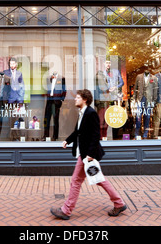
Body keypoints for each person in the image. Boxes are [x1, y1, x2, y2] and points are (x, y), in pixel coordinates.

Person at [50, 89, 127, 220]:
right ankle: (119, 203)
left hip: (88, 155)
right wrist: (67, 141)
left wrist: (90, 154)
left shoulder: (91, 113)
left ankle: (66, 210)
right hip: (85, 153)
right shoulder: (82, 113)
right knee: (99, 180)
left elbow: (96, 135)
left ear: (84, 99)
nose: (75, 99)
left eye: (78, 97)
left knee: (76, 181)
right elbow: (78, 132)